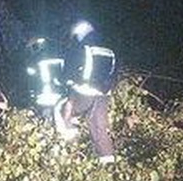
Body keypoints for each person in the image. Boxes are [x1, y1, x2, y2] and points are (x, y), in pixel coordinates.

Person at [53, 20, 117, 164]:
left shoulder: (81, 49)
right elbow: (114, 75)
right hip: (103, 96)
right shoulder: (109, 51)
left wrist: (63, 82)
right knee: (98, 126)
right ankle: (109, 163)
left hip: (83, 93)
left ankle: (68, 148)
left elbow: (67, 75)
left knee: (61, 108)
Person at [24, 36, 65, 120]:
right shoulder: (58, 57)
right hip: (58, 95)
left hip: (42, 97)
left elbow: (30, 81)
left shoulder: (33, 60)